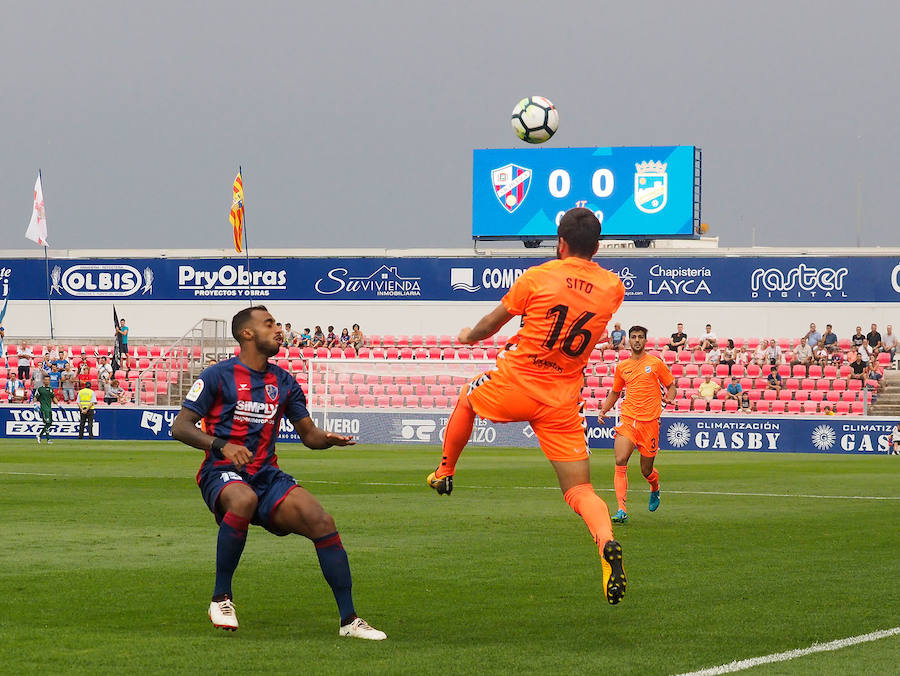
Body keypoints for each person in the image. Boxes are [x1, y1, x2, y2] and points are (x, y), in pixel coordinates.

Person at [425, 207, 627, 605]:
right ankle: (606, 542)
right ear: (598, 246)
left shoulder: (537, 277)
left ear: (560, 243)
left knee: (467, 395)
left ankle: (444, 471)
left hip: (517, 383)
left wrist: (468, 337)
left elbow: (491, 324)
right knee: (580, 489)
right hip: (562, 400)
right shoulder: (613, 288)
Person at [171, 306, 386, 639]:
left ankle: (349, 621)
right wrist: (222, 446)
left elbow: (309, 436)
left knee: (322, 521)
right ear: (247, 333)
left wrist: (326, 439)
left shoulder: (284, 381)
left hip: (267, 475)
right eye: (269, 324)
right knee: (241, 499)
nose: (278, 329)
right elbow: (180, 427)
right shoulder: (217, 375)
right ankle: (221, 597)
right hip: (222, 470)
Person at [597, 325, 675, 524]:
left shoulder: (655, 363)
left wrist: (670, 397)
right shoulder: (622, 367)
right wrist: (604, 409)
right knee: (620, 458)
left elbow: (671, 385)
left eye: (640, 337)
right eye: (634, 337)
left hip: (650, 423)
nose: (637, 340)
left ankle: (655, 487)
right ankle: (621, 509)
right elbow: (615, 392)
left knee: (646, 471)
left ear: (645, 341)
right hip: (628, 419)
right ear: (629, 341)